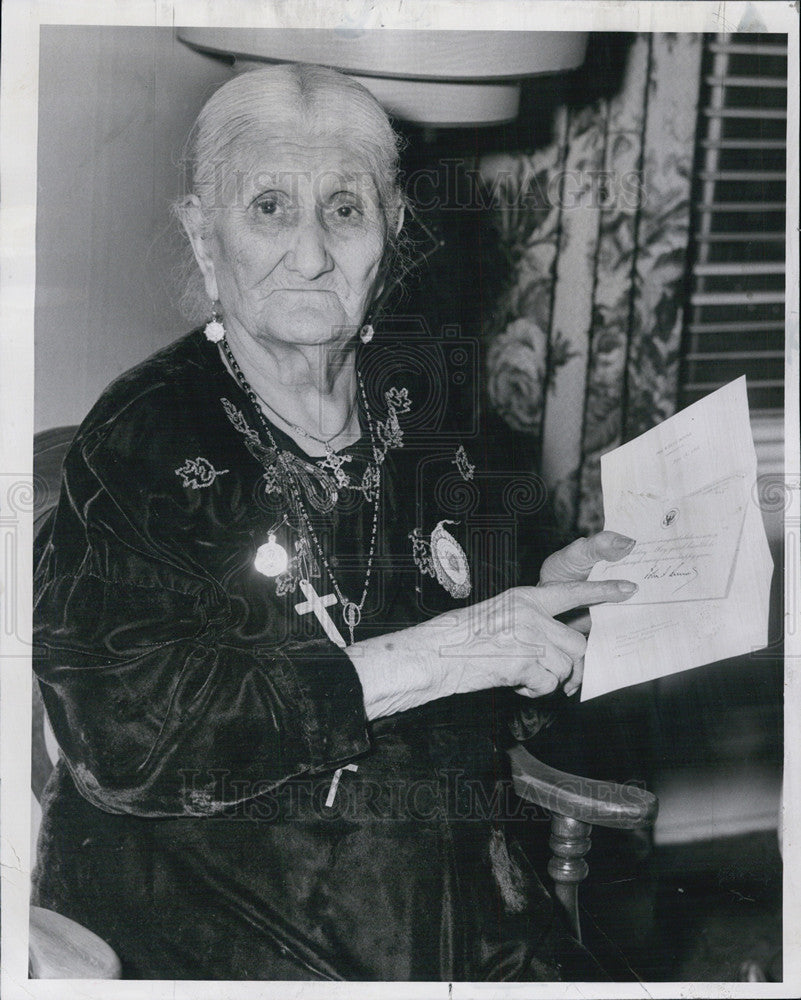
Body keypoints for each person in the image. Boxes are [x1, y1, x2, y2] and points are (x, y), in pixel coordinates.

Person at [32, 63, 637, 981]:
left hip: (455, 903)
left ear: (391, 233)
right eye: (269, 207)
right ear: (204, 236)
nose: (310, 253)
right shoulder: (145, 438)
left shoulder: (427, 405)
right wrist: (445, 651)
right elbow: (123, 739)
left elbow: (487, 699)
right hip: (222, 912)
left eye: (346, 210)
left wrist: (542, 612)